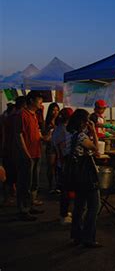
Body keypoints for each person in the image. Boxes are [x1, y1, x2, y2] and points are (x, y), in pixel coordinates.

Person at [66, 109, 102, 248]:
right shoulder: (81, 136)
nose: (88, 123)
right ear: (82, 122)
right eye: (87, 120)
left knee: (79, 206)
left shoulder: (71, 134)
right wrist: (93, 131)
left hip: (76, 176)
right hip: (85, 175)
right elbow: (96, 149)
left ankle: (77, 236)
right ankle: (88, 237)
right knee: (94, 206)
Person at [17, 91, 51, 221]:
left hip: (36, 152)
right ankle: (23, 210)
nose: (41, 102)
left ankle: (30, 205)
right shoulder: (22, 115)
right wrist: (25, 154)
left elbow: (35, 133)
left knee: (33, 182)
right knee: (25, 183)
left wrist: (44, 138)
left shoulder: (34, 115)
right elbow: (19, 135)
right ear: (31, 100)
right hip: (27, 155)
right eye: (39, 99)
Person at [1, 96, 26, 205]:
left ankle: (9, 195)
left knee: (11, 175)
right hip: (10, 150)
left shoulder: (10, 117)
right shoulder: (14, 117)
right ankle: (6, 198)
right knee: (10, 175)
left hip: (8, 149)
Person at [52, 107, 74, 225]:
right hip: (64, 164)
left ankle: (65, 212)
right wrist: (64, 163)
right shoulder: (61, 130)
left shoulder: (63, 129)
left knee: (67, 189)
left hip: (65, 163)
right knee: (65, 191)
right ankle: (63, 215)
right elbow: (60, 150)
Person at [44, 102, 60, 193]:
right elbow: (45, 135)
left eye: (57, 110)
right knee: (51, 167)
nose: (55, 112)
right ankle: (50, 186)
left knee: (58, 167)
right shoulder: (47, 122)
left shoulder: (59, 121)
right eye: (53, 110)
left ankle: (57, 185)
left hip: (59, 146)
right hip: (51, 146)